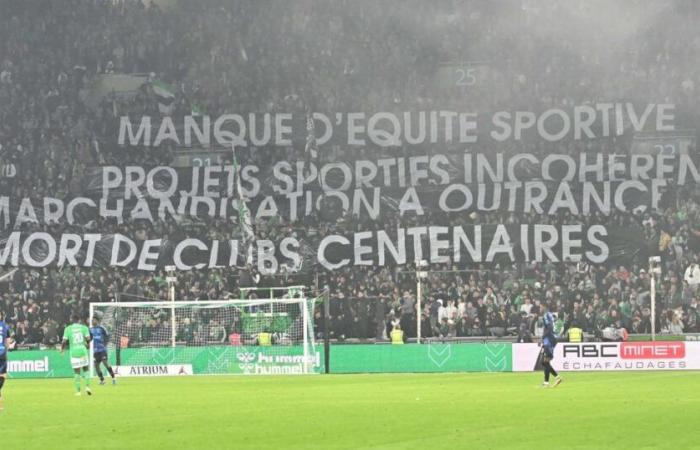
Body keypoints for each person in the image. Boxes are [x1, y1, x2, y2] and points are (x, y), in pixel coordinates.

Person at [61, 314, 93, 396]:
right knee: (86, 369)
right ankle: (88, 387)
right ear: (79, 320)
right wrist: (87, 344)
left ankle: (78, 391)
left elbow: (64, 341)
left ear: (71, 320)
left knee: (77, 372)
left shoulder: (68, 329)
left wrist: (62, 349)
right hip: (82, 350)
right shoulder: (84, 328)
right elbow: (89, 339)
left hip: (74, 352)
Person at [90, 318, 116, 386]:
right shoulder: (90, 329)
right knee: (96, 365)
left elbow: (107, 336)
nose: (92, 321)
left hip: (102, 350)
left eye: (94, 320)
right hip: (95, 350)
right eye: (92, 320)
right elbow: (89, 338)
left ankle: (113, 378)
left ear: (97, 321)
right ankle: (102, 380)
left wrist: (105, 344)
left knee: (105, 363)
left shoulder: (101, 328)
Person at [541, 305, 562, 388]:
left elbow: (549, 327)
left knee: (545, 361)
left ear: (544, 307)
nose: (540, 308)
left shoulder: (546, 315)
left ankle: (547, 383)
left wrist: (544, 336)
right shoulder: (550, 315)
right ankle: (557, 377)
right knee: (544, 362)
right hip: (550, 340)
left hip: (549, 340)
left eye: (541, 307)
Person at [0, 311, 16, 410]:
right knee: (2, 376)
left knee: (2, 376)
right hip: (2, 353)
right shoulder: (5, 326)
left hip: (2, 354)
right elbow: (8, 341)